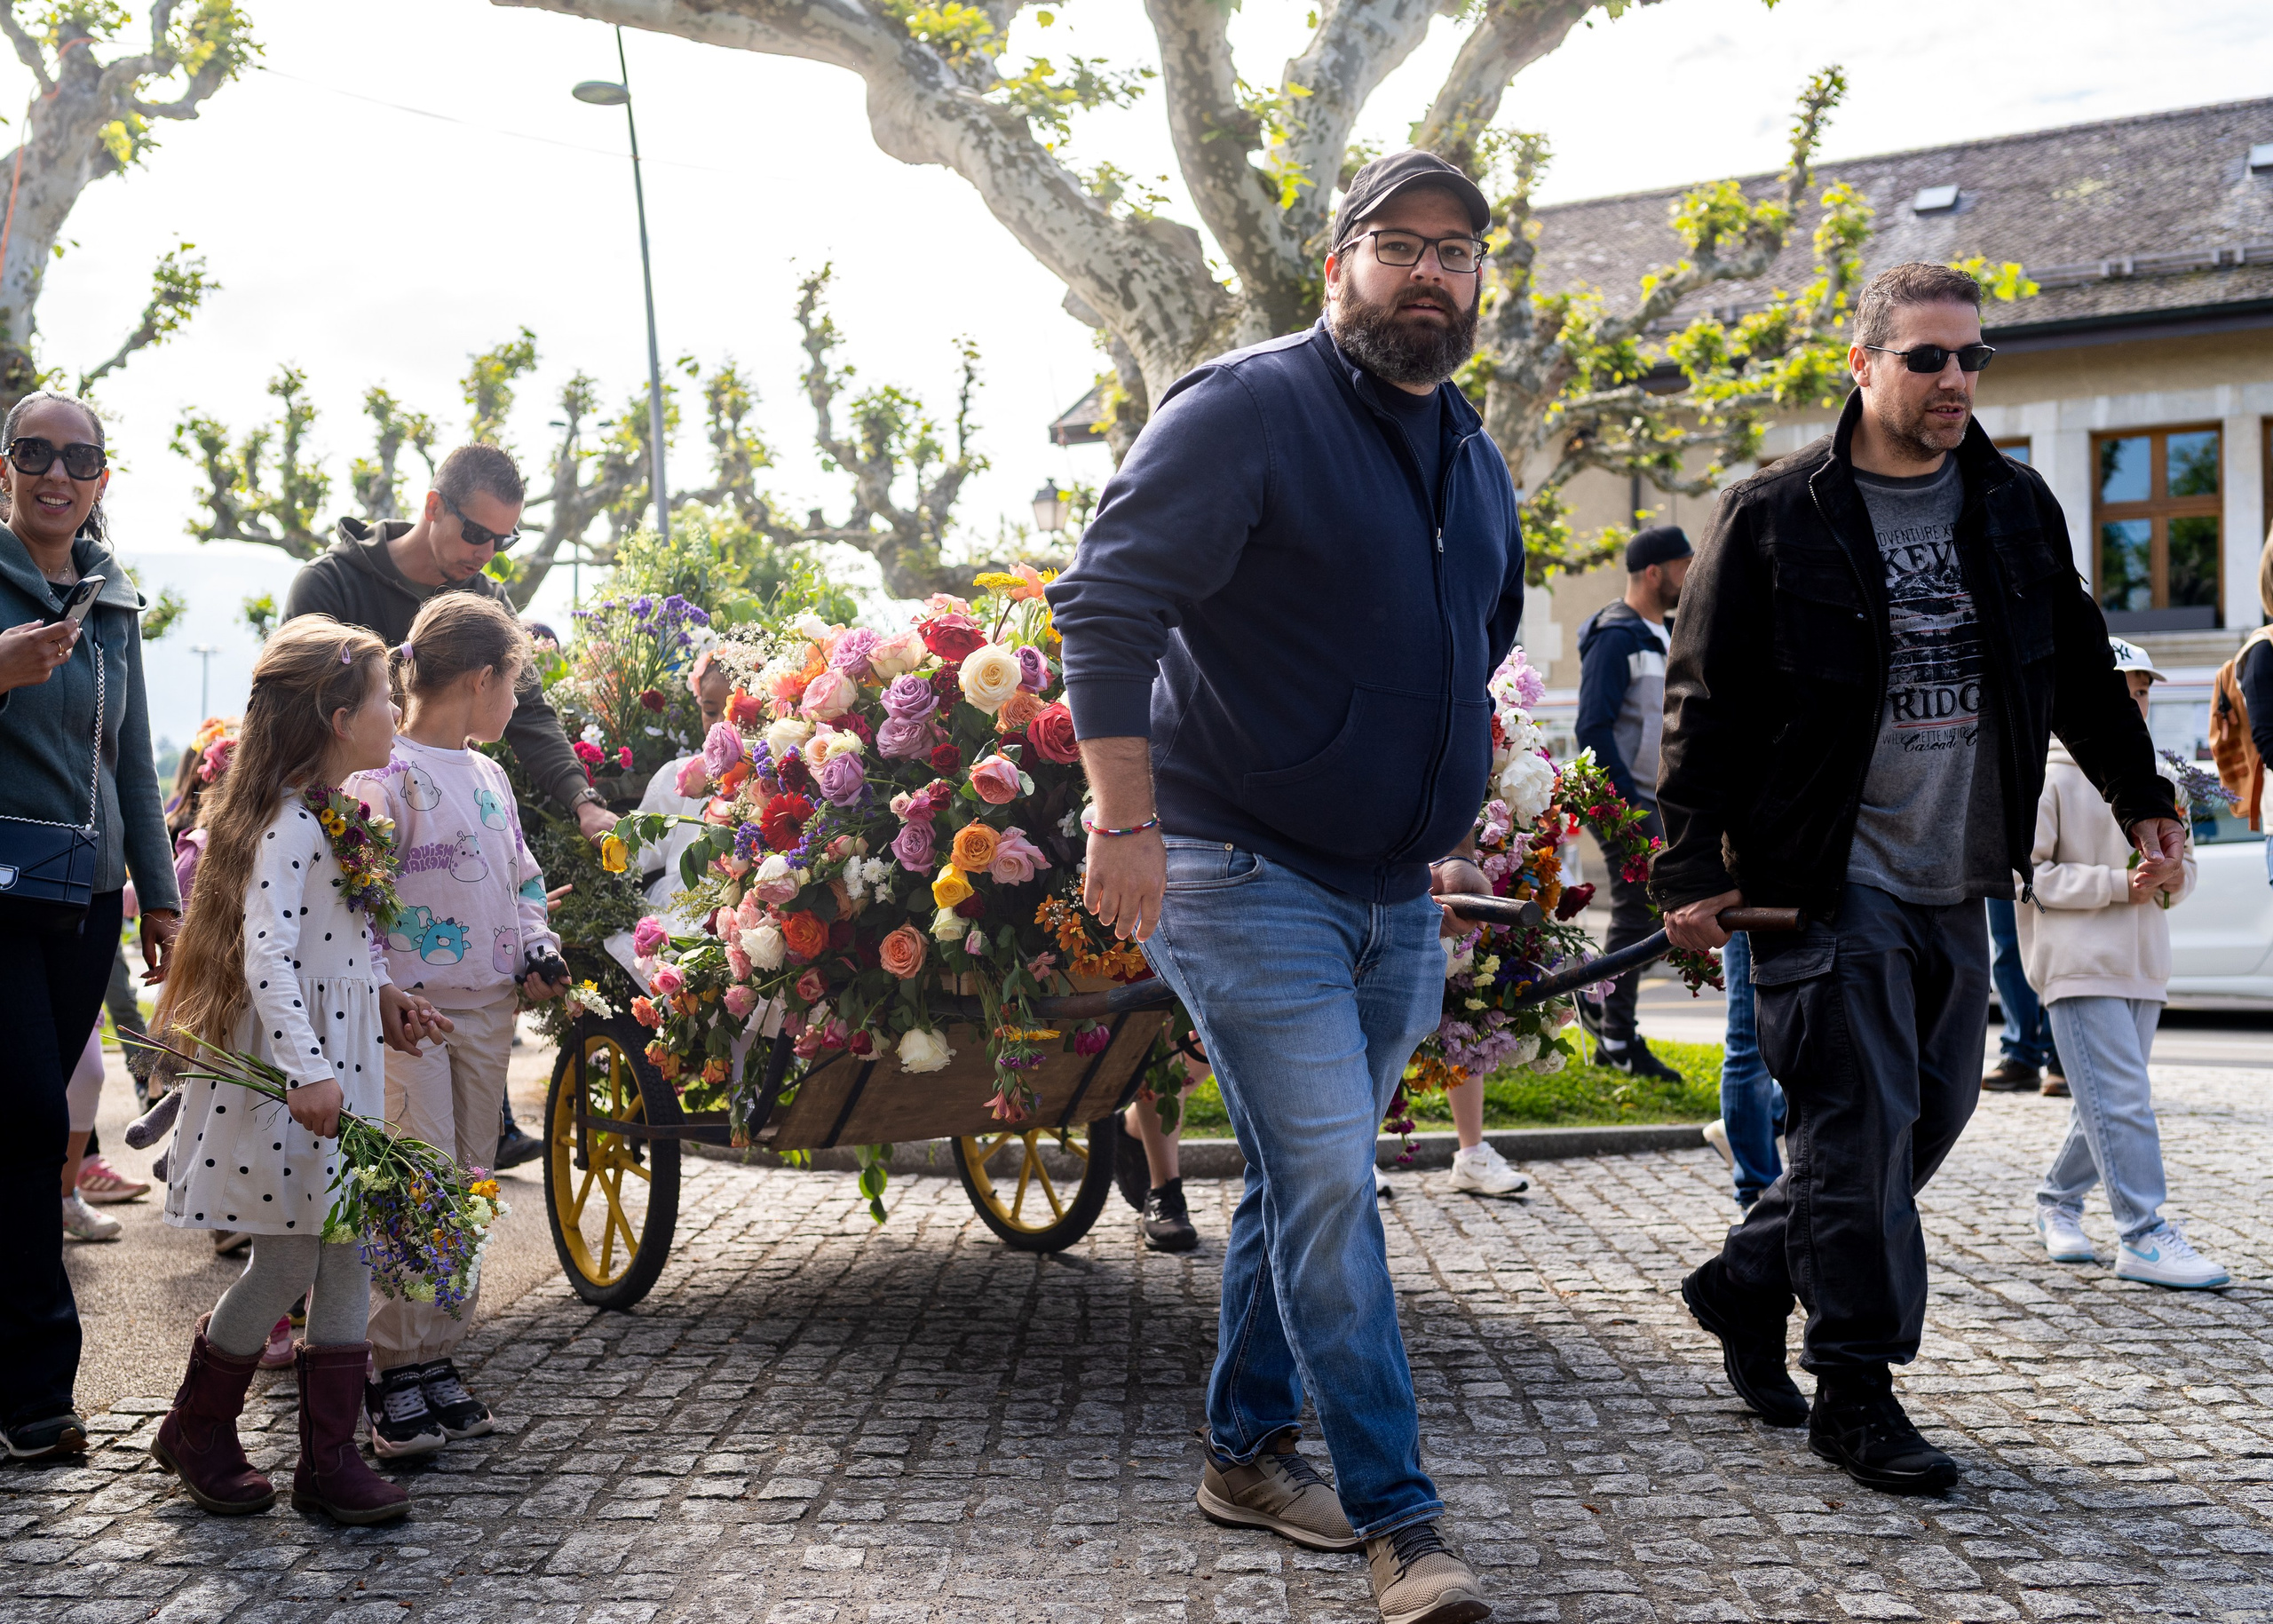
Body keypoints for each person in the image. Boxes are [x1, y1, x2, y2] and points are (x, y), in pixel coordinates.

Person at [1049, 148, 1524, 1624]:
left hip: (1390, 890)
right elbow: (1108, 602)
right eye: (1399, 243)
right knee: (1334, 1177)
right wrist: (1126, 820)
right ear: (1337, 263)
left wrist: (1424, 820)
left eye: (1456, 251)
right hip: (1238, 866)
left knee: (1291, 1172)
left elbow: (1476, 635)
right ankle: (1402, 1517)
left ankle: (1246, 1449)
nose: (1429, 272)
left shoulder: (1470, 445)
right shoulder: (1248, 405)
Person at [1654, 262, 2183, 1496]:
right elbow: (1704, 703)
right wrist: (1686, 865)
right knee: (1861, 1127)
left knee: (1923, 1122)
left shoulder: (2012, 503)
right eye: (1928, 357)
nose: (1956, 380)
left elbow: (2076, 664)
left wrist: (2143, 798)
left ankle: (1746, 1281)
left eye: (1972, 358)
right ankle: (1859, 1389)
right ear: (1864, 364)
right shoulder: (1778, 510)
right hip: (1822, 876)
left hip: (1958, 873)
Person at [150, 615, 447, 1525]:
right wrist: (310, 1069)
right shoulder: (285, 822)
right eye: (382, 701)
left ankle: (326, 1461)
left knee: (345, 1245)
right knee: (284, 1262)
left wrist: (386, 994)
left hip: (337, 1061)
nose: (395, 713)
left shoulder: (333, 812)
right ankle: (197, 1427)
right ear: (333, 713)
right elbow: (269, 956)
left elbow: (345, 944)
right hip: (297, 1078)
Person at [0, 389, 181, 1462]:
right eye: (35, 452)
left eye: (78, 457)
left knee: (29, 1132)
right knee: (30, 1115)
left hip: (82, 902)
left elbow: (134, 758)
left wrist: (157, 894)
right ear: (6, 465)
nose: (55, 472)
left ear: (103, 478)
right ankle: (37, 1392)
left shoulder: (113, 604)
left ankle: (24, 1384)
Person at [348, 593, 566, 1457]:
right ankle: (388, 1363)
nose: (517, 704)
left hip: (486, 1007)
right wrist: (376, 991)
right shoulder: (384, 775)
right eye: (515, 684)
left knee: (467, 1179)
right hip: (408, 1017)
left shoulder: (488, 775)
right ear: (481, 680)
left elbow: (521, 875)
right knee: (417, 1181)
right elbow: (354, 901)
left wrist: (538, 943)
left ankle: (436, 1351)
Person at [280, 444, 615, 846]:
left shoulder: (487, 603)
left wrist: (583, 801)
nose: (486, 553)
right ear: (434, 506)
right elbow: (289, 715)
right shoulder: (329, 585)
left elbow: (528, 709)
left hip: (439, 829)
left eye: (502, 540)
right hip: (326, 825)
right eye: (476, 533)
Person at [2023, 639, 2227, 1288]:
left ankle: (2056, 1201)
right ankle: (2142, 1233)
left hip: (2144, 965)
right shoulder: (2048, 775)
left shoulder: (2159, 783)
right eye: (2124, 691)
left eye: (2143, 692)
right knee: (2122, 1099)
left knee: (2105, 1103)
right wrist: (2118, 883)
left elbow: (2182, 877)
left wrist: (2170, 878)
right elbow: (2027, 877)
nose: (2136, 703)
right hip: (2077, 963)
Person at [1573, 527, 1691, 1081]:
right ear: (1654, 572)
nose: (1692, 576)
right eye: (1684, 566)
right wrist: (1625, 805)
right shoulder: (1615, 636)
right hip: (1620, 799)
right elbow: (1591, 727)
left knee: (1652, 910)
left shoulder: (1665, 634)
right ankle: (1613, 1032)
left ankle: (1607, 1016)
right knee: (1640, 908)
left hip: (1655, 798)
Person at [1706, 929, 1786, 1211]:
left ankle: (1742, 1127)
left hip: (1820, 896)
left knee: (1828, 1037)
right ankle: (1757, 1193)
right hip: (1751, 899)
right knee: (1750, 1035)